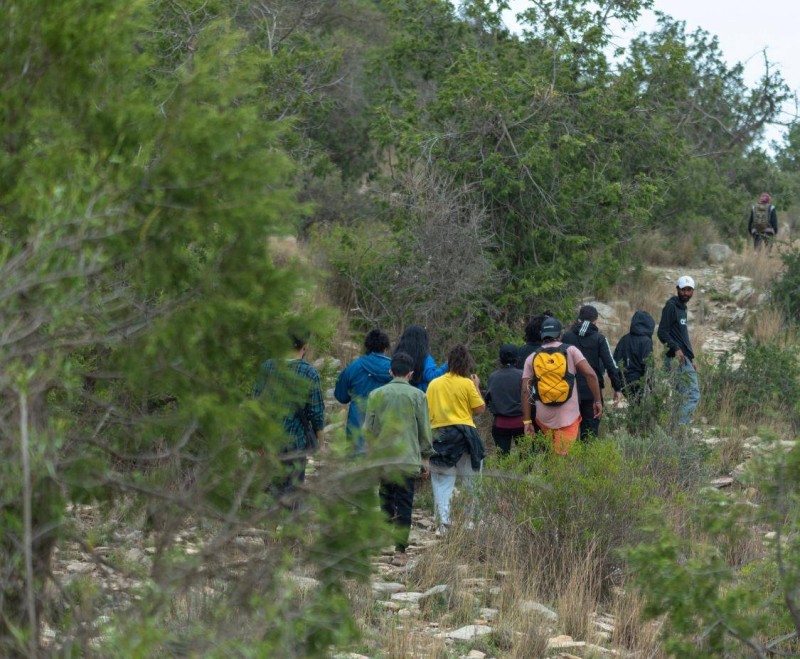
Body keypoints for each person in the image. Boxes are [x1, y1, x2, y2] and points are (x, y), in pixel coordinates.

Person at [363, 352, 433, 558]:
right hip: (408, 459)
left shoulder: (376, 395)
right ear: (411, 373)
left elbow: (369, 429)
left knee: (385, 496)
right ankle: (400, 546)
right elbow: (424, 430)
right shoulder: (418, 396)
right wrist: (426, 458)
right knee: (405, 502)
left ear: (390, 371)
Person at [253, 331, 325, 502]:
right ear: (305, 346)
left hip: (269, 439)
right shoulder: (310, 373)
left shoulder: (267, 367)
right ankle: (288, 523)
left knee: (271, 487)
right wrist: (321, 442)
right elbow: (316, 413)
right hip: (296, 441)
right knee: (293, 490)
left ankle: (269, 523)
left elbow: (256, 405)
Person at [426, 344, 486, 533]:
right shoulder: (467, 383)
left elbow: (426, 411)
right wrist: (476, 386)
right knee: (472, 480)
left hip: (441, 436)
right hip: (465, 434)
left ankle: (442, 524)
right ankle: (472, 521)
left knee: (442, 482)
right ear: (467, 363)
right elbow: (480, 409)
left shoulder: (434, 384)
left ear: (449, 362)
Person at [521, 318, 602, 456]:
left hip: (544, 418)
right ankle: (558, 474)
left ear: (542, 335)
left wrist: (527, 421)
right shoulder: (571, 351)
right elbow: (591, 375)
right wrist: (597, 401)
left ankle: (551, 473)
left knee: (551, 454)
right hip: (568, 416)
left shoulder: (532, 357)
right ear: (560, 334)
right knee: (563, 459)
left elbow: (525, 391)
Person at [561, 305, 623, 441]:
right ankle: (586, 461)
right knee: (589, 434)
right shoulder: (599, 338)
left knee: (567, 435)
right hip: (592, 391)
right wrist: (617, 388)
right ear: (596, 322)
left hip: (569, 392)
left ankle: (567, 461)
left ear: (578, 320)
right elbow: (611, 365)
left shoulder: (566, 337)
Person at [334, 329, 393, 453]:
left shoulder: (354, 366)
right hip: (385, 424)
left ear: (367, 346)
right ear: (385, 347)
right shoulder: (393, 368)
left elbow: (341, 396)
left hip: (357, 424)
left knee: (355, 465)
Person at [657, 276, 700, 426]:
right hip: (676, 358)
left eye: (689, 290)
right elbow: (662, 332)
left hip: (683, 358)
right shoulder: (671, 306)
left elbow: (681, 336)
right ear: (677, 289)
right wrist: (676, 349)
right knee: (692, 394)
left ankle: (673, 432)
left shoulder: (682, 308)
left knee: (681, 396)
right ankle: (679, 430)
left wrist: (690, 359)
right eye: (683, 290)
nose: (686, 293)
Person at [484, 344, 524, 455]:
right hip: (520, 423)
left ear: (500, 360)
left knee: (503, 458)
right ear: (517, 360)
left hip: (500, 424)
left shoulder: (493, 376)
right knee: (525, 458)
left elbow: (487, 400)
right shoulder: (522, 375)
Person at [613, 310, 655, 402]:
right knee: (642, 411)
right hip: (639, 383)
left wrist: (617, 387)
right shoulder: (646, 341)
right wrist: (651, 386)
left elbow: (615, 362)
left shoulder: (624, 339)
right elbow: (648, 365)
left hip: (624, 383)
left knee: (633, 408)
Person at [393, 324, 447, 392]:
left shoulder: (397, 357)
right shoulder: (424, 358)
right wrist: (447, 365)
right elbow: (432, 376)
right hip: (420, 397)